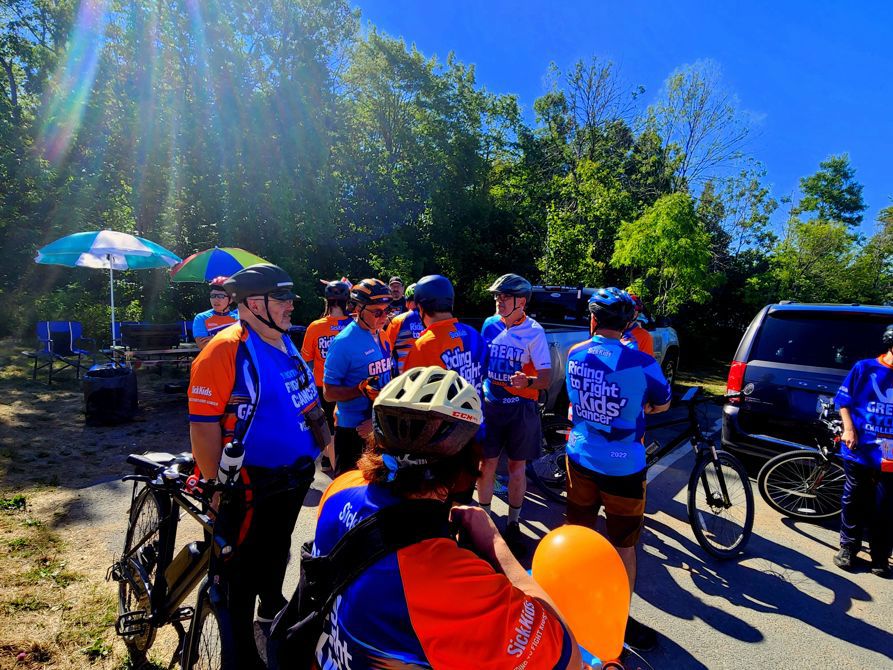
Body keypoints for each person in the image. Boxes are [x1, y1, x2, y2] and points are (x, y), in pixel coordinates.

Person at [312, 367, 583, 670]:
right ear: (464, 464)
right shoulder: (444, 574)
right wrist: (495, 543)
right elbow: (567, 657)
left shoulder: (340, 488)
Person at [187, 264, 321, 669]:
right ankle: (242, 652)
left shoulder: (284, 340)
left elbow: (305, 396)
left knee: (277, 548)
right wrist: (215, 486)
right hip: (247, 484)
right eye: (282, 298)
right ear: (254, 304)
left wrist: (327, 443)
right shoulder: (225, 349)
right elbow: (203, 425)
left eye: (290, 297)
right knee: (239, 572)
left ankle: (270, 606)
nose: (291, 305)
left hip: (292, 477)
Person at [564, 286, 671, 652]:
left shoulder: (576, 353)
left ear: (593, 320)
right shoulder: (642, 361)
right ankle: (619, 619)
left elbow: (575, 398)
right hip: (624, 466)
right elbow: (663, 402)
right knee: (623, 545)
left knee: (579, 535)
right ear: (627, 325)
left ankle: (573, 600)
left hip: (580, 456)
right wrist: (639, 408)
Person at [478, 273, 552, 553]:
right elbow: (482, 364)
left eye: (505, 296)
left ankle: (513, 522)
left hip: (520, 408)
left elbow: (545, 378)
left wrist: (528, 382)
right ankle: (484, 520)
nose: (499, 300)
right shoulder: (489, 325)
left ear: (521, 301)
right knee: (486, 465)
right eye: (497, 296)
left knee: (516, 467)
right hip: (491, 406)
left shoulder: (535, 331)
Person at [402, 274, 488, 502]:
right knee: (464, 500)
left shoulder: (424, 344)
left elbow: (411, 398)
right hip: (475, 430)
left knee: (438, 502)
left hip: (442, 440)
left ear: (421, 308)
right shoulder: (474, 335)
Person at [832, 324, 893, 577]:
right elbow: (844, 402)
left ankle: (880, 555)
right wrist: (849, 430)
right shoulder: (865, 368)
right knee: (855, 499)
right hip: (860, 447)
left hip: (890, 453)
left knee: (885, 505)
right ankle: (848, 548)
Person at [323, 278, 394, 475]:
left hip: (378, 424)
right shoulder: (343, 343)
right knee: (349, 485)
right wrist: (359, 389)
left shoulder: (382, 334)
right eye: (377, 312)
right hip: (354, 430)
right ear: (358, 309)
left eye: (387, 310)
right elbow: (328, 393)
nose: (384, 317)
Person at [301, 279, 353, 426]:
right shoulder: (355, 325)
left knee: (328, 429)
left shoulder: (315, 327)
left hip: (323, 386)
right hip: (350, 385)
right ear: (347, 300)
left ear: (326, 300)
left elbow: (306, 359)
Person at [383, 281, 424, 374]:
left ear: (407, 302)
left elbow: (386, 348)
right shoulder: (431, 319)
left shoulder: (398, 320)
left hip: (403, 375)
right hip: (426, 374)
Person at [192, 276, 239, 349]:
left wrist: (214, 337)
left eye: (221, 296)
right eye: (213, 296)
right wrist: (233, 338)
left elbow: (243, 344)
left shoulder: (238, 319)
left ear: (231, 299)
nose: (215, 300)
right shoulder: (201, 318)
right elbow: (203, 345)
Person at [621, 292, 654, 357]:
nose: (632, 313)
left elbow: (646, 362)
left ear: (637, 314)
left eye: (635, 310)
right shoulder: (608, 330)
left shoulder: (644, 336)